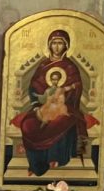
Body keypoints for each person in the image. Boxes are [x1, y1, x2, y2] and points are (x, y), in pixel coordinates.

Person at [10, 29, 92, 176]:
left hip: (66, 108)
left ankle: (56, 159)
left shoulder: (70, 67)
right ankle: (37, 164)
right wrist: (37, 105)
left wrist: (66, 94)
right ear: (49, 45)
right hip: (43, 107)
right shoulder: (43, 66)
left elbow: (77, 87)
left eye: (60, 43)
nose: (56, 46)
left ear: (66, 46)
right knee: (27, 124)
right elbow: (33, 88)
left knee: (57, 122)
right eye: (54, 43)